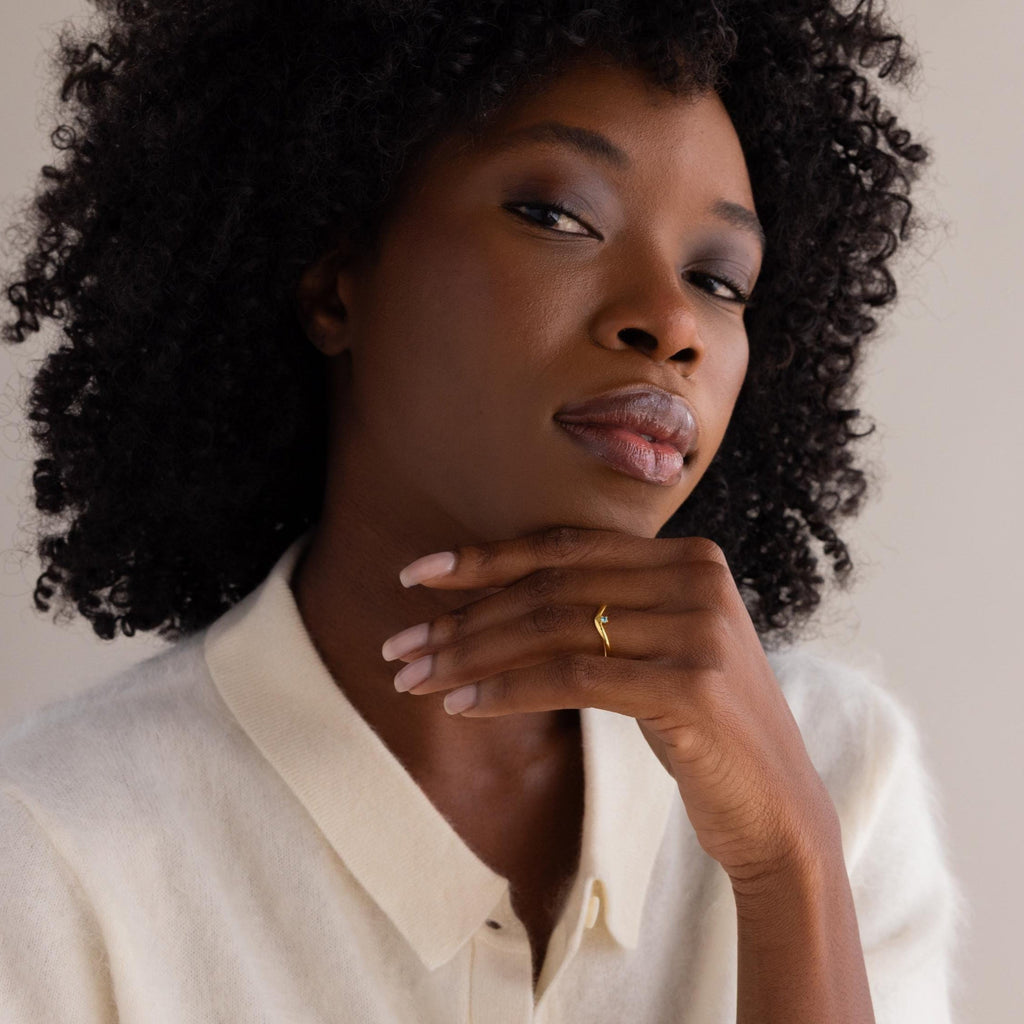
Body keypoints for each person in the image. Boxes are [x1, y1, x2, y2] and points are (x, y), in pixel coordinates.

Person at [0, 1, 965, 1021]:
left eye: (719, 279)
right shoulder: (54, 853)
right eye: (557, 215)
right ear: (335, 285)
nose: (673, 322)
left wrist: (788, 871)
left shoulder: (834, 773)